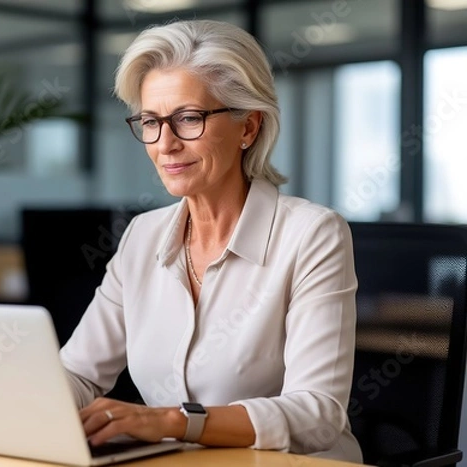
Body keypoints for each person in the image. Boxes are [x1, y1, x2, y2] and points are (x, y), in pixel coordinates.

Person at [59, 18, 362, 463]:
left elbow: (316, 414)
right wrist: (18, 404)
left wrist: (173, 422)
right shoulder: (143, 238)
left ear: (248, 128)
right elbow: (78, 374)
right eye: (150, 121)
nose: (165, 144)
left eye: (188, 119)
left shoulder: (312, 235)